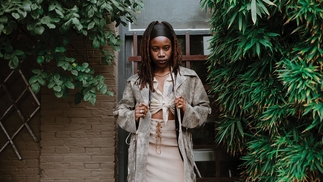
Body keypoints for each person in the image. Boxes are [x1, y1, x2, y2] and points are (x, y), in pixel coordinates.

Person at [114, 21, 211, 182]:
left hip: (176, 147)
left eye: (166, 48)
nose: (161, 53)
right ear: (147, 50)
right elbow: (120, 111)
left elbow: (204, 109)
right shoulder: (136, 81)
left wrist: (187, 108)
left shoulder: (188, 78)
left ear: (173, 48)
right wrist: (134, 115)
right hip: (147, 149)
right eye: (155, 49)